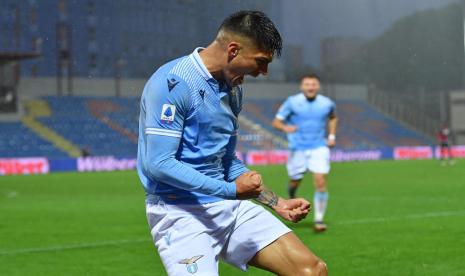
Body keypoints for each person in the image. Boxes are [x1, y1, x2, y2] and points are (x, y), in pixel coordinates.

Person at [137, 11, 327, 276]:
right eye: (261, 62)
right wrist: (229, 190)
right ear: (234, 50)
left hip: (229, 206)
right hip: (180, 212)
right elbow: (158, 164)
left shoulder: (234, 89)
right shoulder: (172, 83)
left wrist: (277, 203)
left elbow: (226, 160)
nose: (263, 72)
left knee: (311, 270)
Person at [272, 74, 338, 232]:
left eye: (313, 84)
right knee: (295, 180)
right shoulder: (292, 102)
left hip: (319, 147)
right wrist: (285, 128)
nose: (310, 87)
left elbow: (333, 118)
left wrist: (331, 136)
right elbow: (276, 122)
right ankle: (292, 193)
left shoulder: (326, 103)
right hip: (298, 148)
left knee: (320, 181)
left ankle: (319, 220)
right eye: (307, 84)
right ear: (302, 87)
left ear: (318, 86)